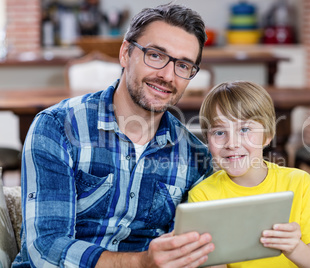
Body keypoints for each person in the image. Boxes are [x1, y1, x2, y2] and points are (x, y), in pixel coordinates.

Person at [13, 4, 216, 268]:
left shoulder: (196, 157)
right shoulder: (57, 127)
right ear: (125, 53)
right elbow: (45, 248)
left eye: (183, 65)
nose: (167, 75)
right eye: (155, 55)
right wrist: (141, 263)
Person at [189, 81, 310, 268]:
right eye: (219, 132)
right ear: (207, 140)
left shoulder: (299, 183)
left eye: (244, 129)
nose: (232, 143)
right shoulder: (202, 196)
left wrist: (294, 248)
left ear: (267, 135)